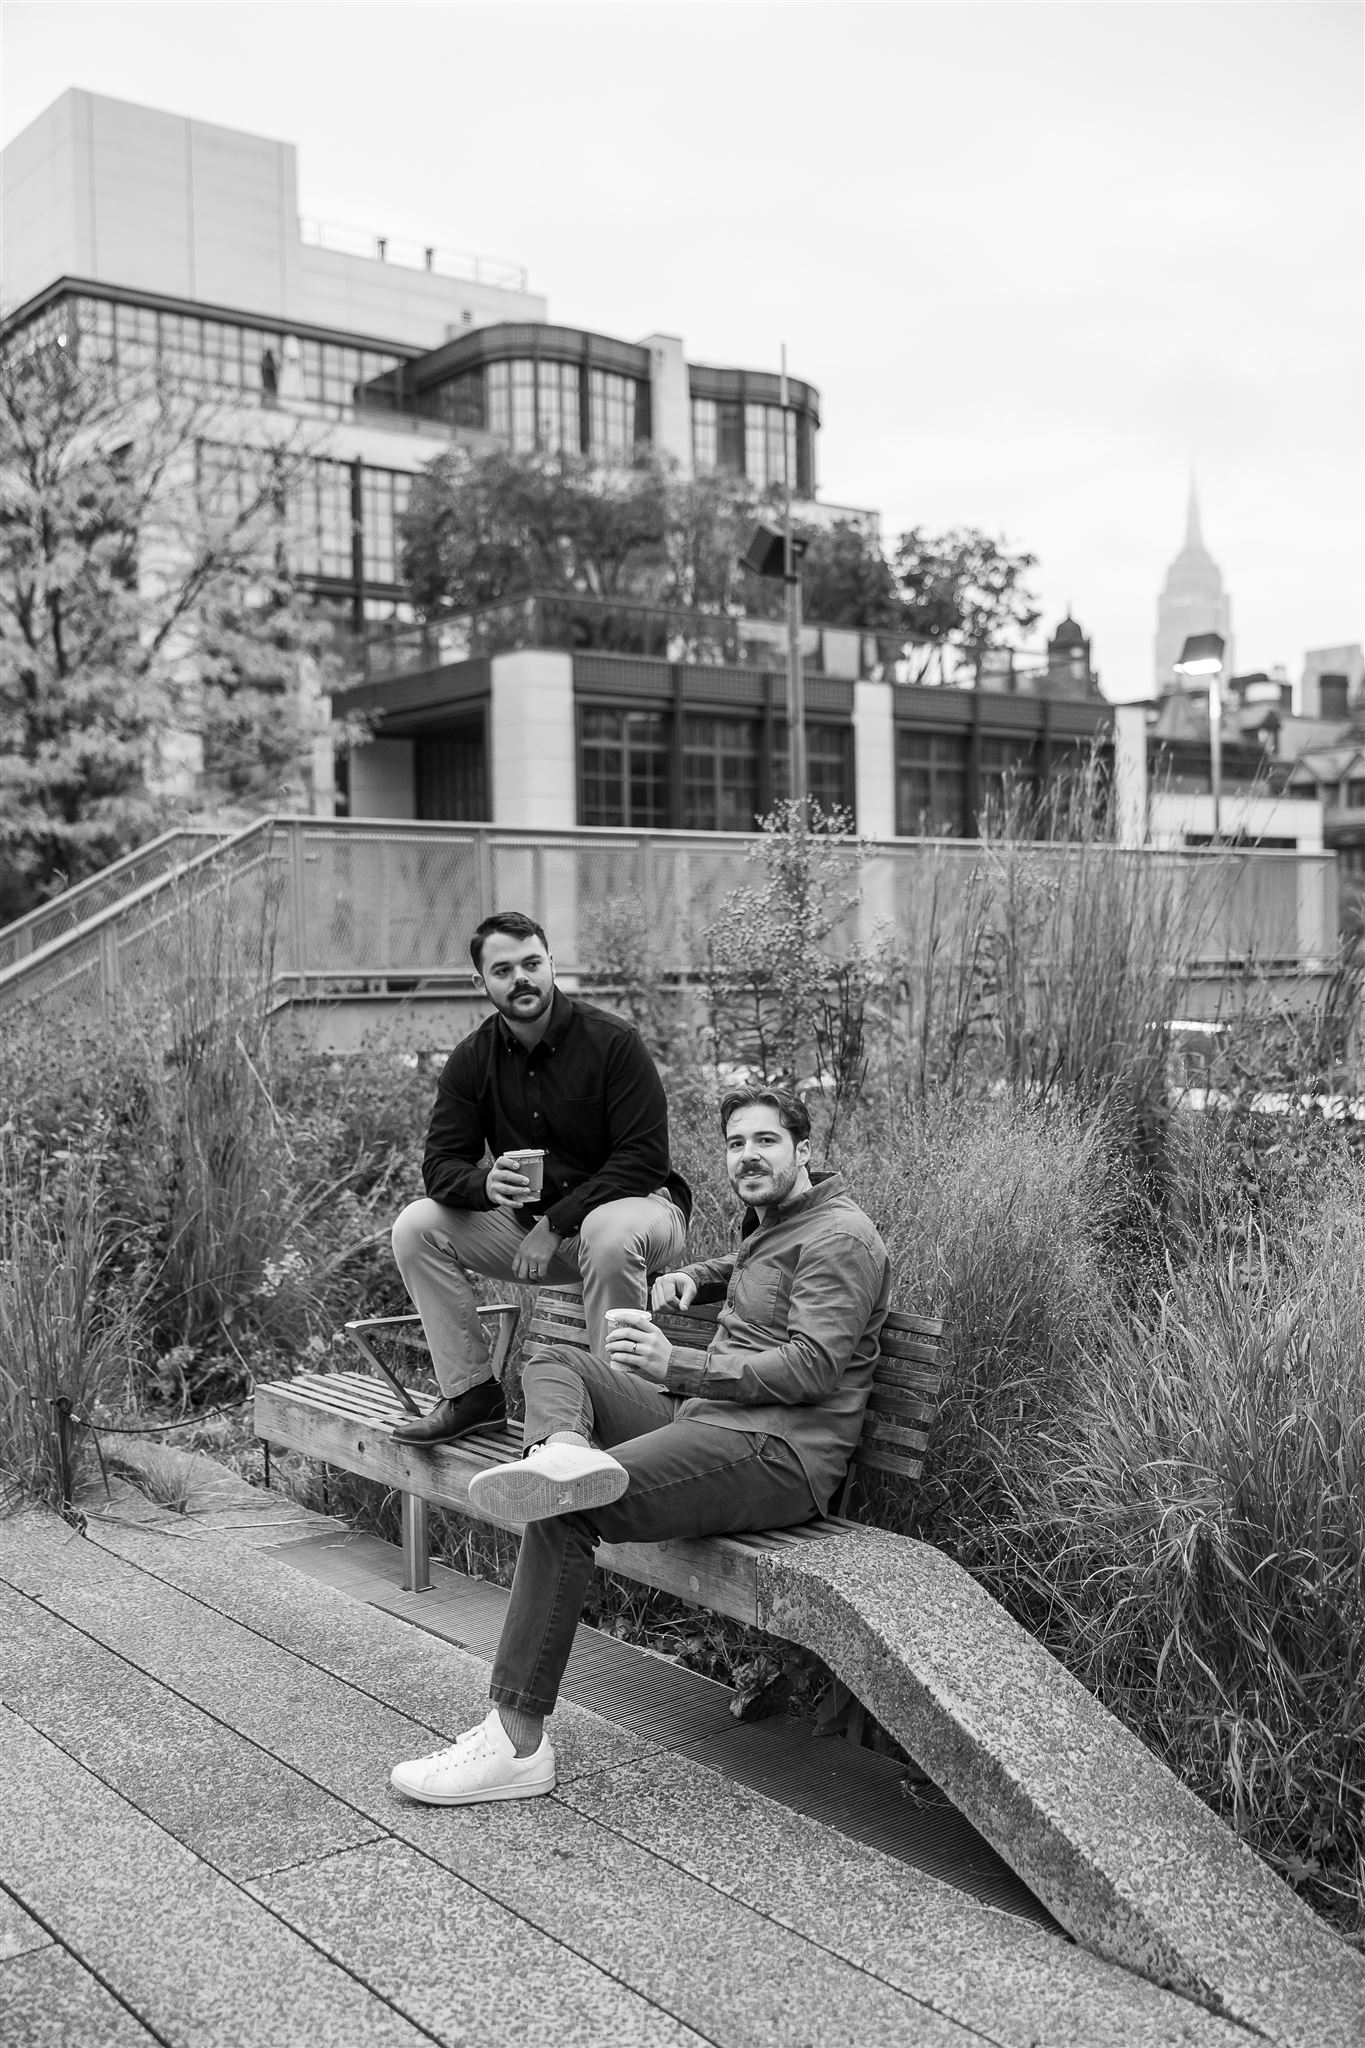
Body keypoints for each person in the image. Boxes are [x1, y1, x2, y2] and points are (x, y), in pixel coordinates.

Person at [389, 1083, 890, 1805]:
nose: (747, 1156)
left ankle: (517, 1743)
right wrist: (696, 1275)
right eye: (735, 1144)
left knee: (565, 1507)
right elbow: (764, 1271)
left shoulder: (839, 1237)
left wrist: (676, 1365)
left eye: (765, 1141)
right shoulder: (779, 1220)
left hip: (776, 1454)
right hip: (711, 1425)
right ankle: (559, 1446)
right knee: (557, 1364)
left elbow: (812, 1367)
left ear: (804, 1150)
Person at [389, 910, 691, 1445]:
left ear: (552, 965)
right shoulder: (472, 1059)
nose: (521, 978)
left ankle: (623, 1414)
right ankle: (471, 1394)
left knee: (607, 1233)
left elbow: (644, 1158)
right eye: (503, 970)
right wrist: (484, 1185)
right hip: (532, 1231)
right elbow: (439, 1166)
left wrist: (555, 1222)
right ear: (480, 982)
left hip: (640, 1215)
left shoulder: (613, 1041)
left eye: (532, 963)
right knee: (416, 1225)